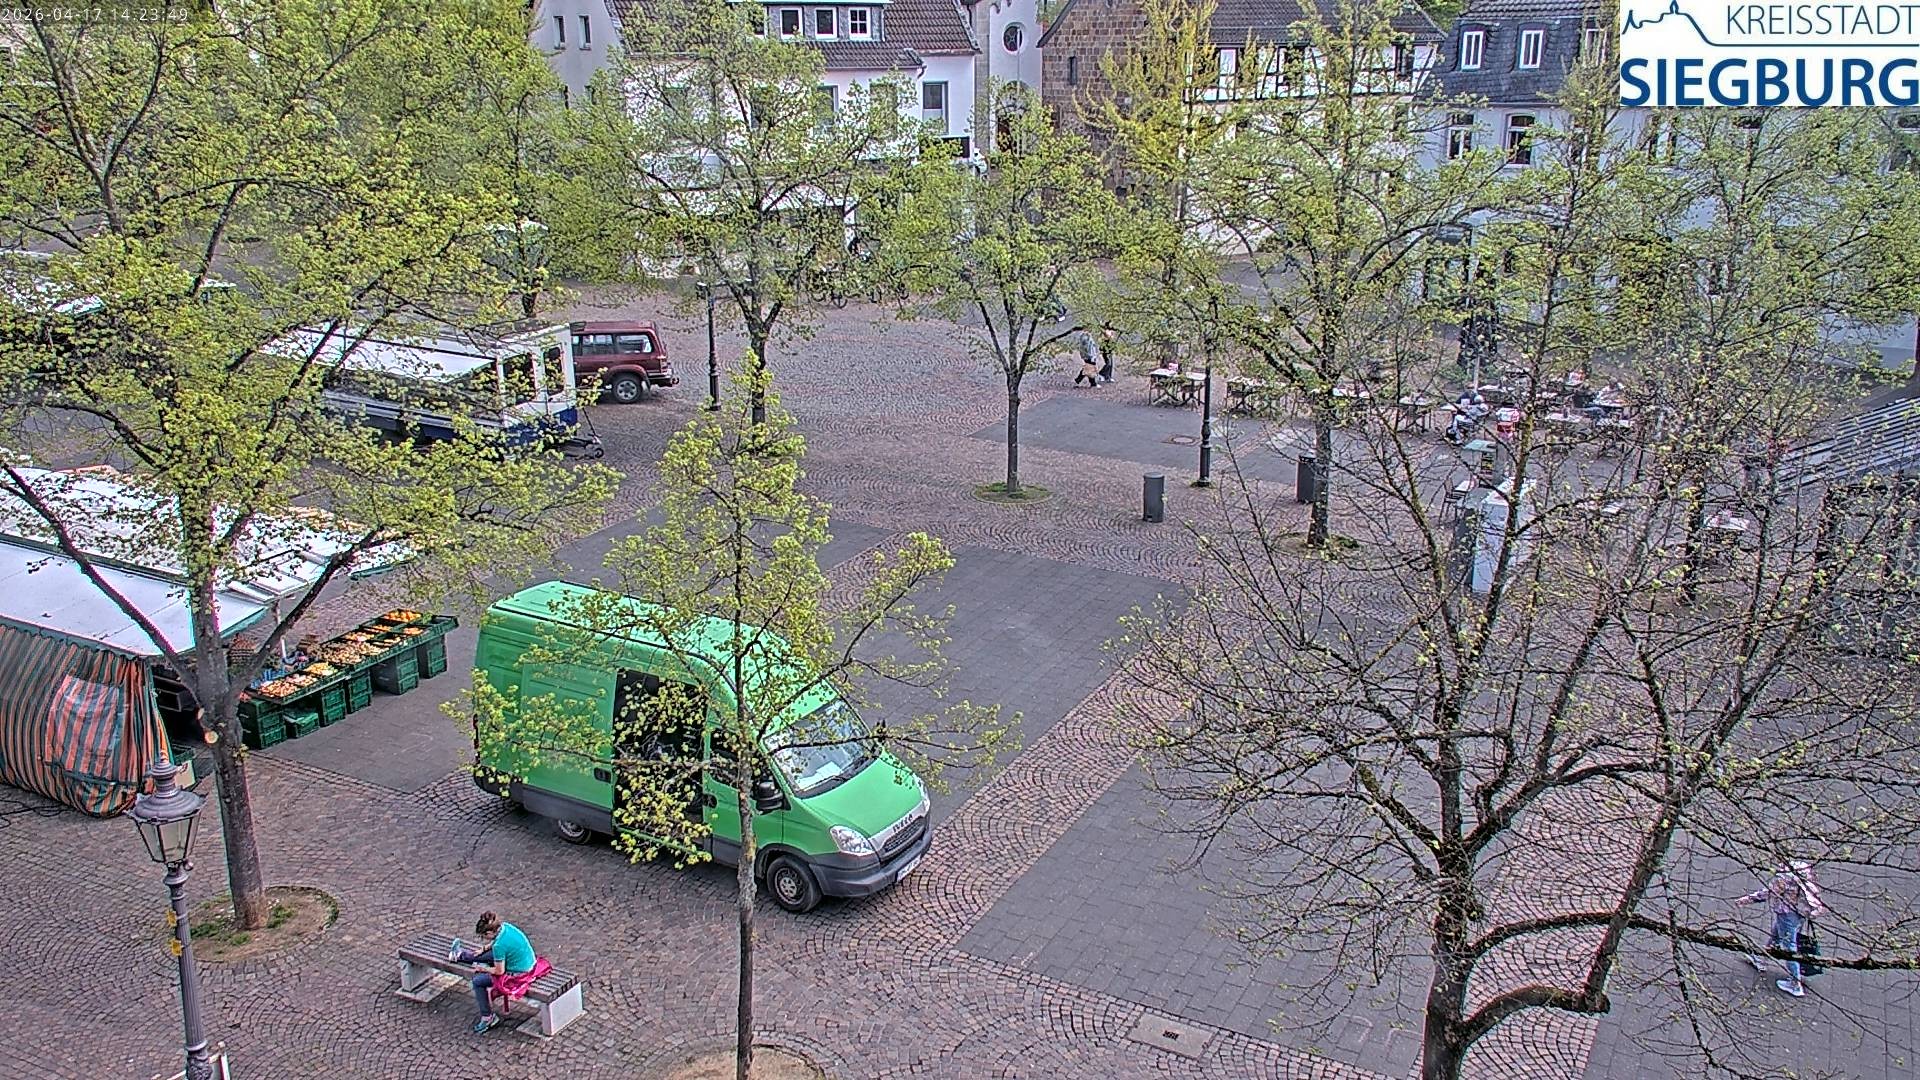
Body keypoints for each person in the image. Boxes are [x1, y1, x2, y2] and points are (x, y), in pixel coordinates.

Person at [1738, 861, 1827, 997]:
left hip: (1786, 914)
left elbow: (1768, 893)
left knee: (1789, 948)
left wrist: (1748, 899)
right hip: (1799, 914)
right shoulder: (1802, 872)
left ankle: (1795, 983)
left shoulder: (1784, 878)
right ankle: (1761, 958)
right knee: (1776, 935)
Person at [452, 911, 539, 1032]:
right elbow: (497, 945)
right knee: (489, 954)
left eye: (483, 936)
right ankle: (460, 956)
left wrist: (483, 969)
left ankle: (488, 1017)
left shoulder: (499, 946)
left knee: (478, 981)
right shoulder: (506, 927)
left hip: (518, 975)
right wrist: (484, 948)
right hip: (529, 964)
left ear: (489, 933)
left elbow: (499, 971)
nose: (483, 939)